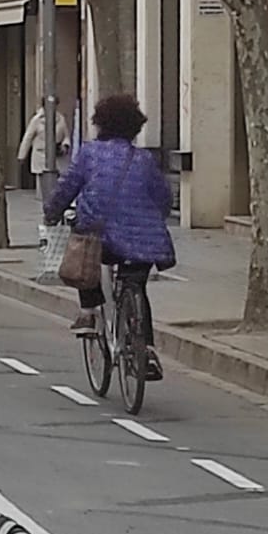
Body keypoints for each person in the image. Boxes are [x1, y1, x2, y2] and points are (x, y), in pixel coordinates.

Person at [43, 94, 173, 378]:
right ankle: (146, 350)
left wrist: (52, 213)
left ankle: (89, 312)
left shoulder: (89, 154)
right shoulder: (144, 158)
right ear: (135, 126)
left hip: (102, 235)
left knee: (85, 260)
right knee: (137, 286)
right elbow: (164, 197)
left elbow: (67, 188)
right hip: (146, 240)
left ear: (100, 123)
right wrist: (154, 218)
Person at [17, 107, 71, 202]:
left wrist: (65, 146)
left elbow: (66, 135)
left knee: (57, 187)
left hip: (57, 156)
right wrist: (22, 155)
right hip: (41, 155)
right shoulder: (37, 119)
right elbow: (28, 137)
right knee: (43, 190)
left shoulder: (60, 118)